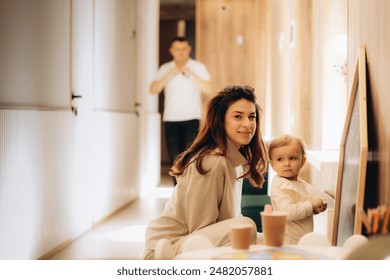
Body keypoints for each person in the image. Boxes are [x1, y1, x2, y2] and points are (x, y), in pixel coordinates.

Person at [142, 85, 268, 260]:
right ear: (221, 121)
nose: (247, 124)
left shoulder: (233, 160)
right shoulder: (212, 162)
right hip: (168, 248)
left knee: (274, 240)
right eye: (238, 116)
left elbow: (225, 225)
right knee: (246, 226)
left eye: (251, 117)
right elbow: (200, 231)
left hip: (196, 241)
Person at [149, 36, 212, 183]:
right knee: (175, 159)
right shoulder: (165, 68)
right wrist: (172, 72)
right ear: (172, 51)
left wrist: (188, 73)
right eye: (177, 49)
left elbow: (208, 89)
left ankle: (190, 192)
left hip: (192, 119)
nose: (181, 52)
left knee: (189, 158)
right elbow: (153, 89)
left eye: (184, 49)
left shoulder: (198, 67)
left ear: (189, 49)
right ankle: (177, 194)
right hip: (170, 119)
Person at [268, 134, 327, 245]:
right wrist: (311, 205)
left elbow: (304, 210)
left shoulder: (303, 184)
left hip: (300, 238)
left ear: (302, 161)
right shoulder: (279, 185)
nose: (287, 164)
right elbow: (288, 212)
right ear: (272, 164)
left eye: (292, 158)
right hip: (287, 239)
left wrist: (316, 208)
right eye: (280, 159)